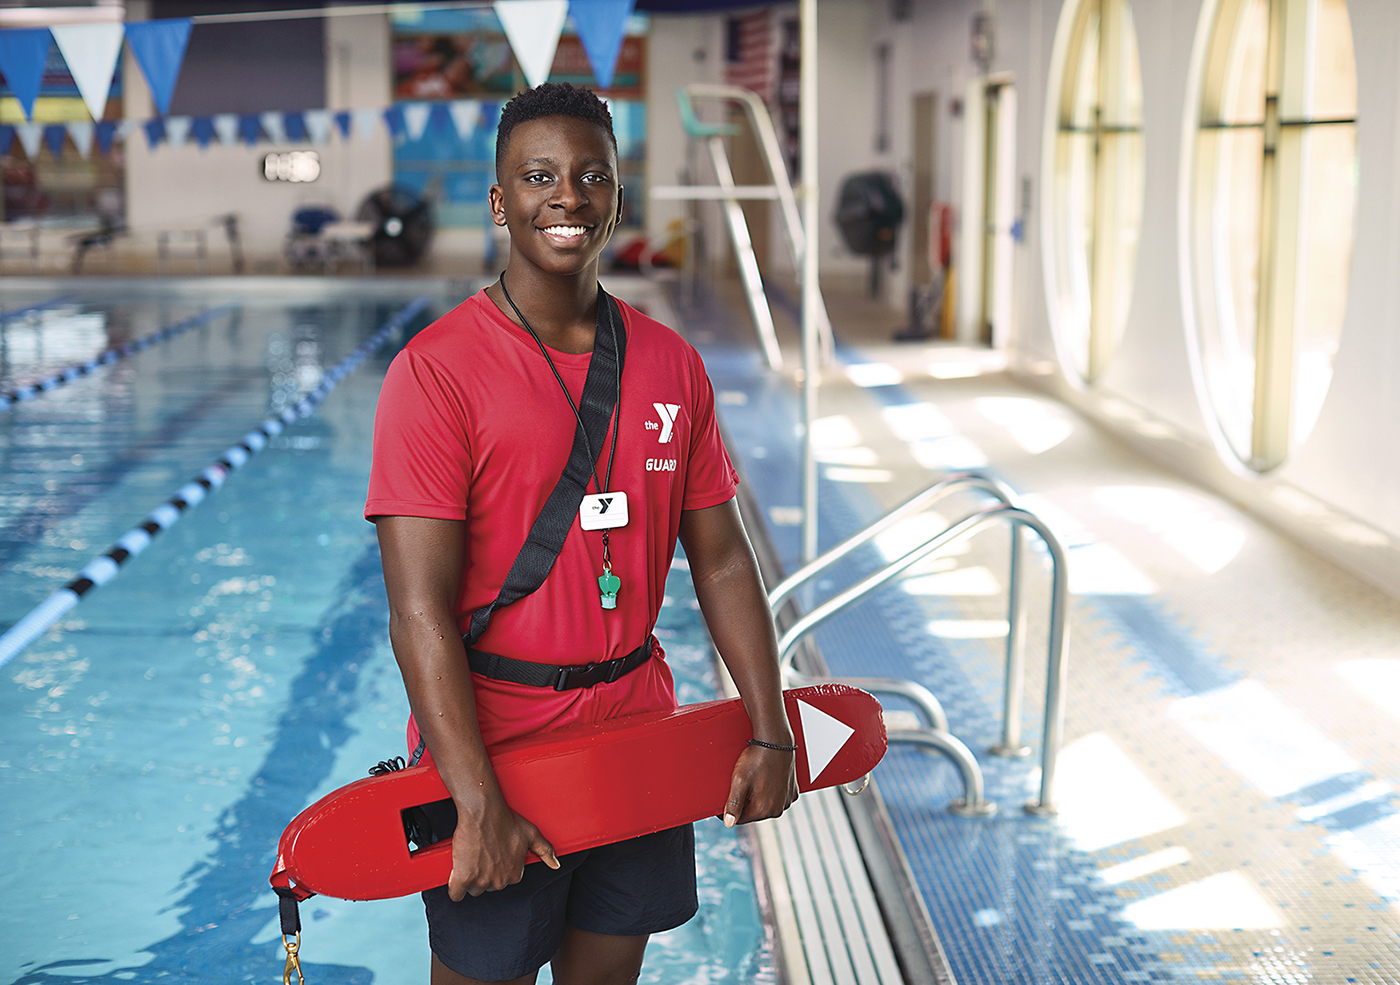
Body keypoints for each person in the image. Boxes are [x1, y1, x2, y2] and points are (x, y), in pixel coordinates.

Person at [365, 82, 798, 985]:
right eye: (538, 176)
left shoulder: (670, 361)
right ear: (499, 202)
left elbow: (720, 560)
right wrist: (475, 800)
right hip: (497, 749)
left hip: (634, 740)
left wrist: (770, 730)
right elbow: (418, 612)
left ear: (616, 199)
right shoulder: (436, 373)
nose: (567, 196)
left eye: (590, 175)